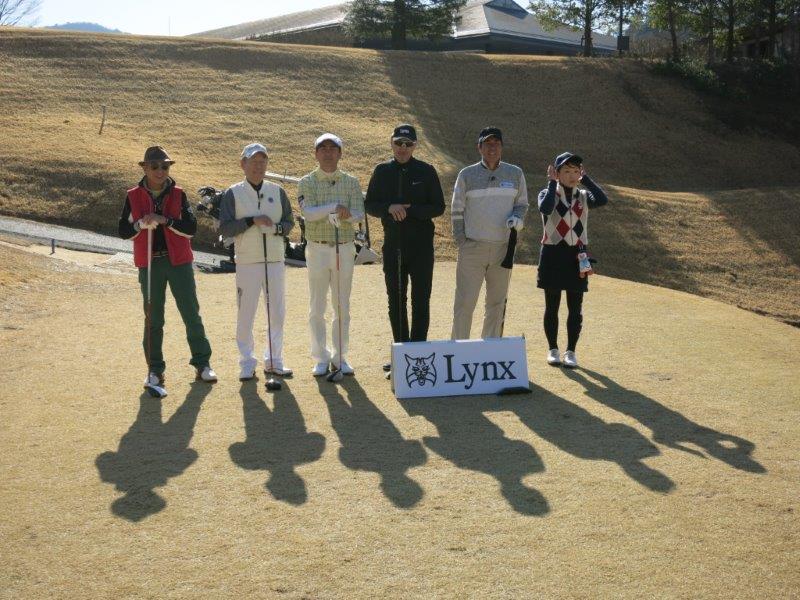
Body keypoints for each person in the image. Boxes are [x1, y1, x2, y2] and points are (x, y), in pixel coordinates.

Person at [118, 145, 217, 392]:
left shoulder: (179, 194)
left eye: (165, 166)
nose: (160, 171)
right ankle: (154, 370)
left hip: (179, 262)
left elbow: (191, 228)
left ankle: (202, 363)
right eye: (154, 166)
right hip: (150, 263)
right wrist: (140, 224)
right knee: (153, 318)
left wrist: (166, 220)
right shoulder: (133, 196)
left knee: (191, 313)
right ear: (145, 168)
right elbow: (123, 230)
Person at [364, 124, 445, 372]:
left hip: (421, 248)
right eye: (399, 143)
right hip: (394, 246)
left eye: (408, 144)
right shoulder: (382, 171)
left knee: (421, 300)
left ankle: (418, 353)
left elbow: (438, 207)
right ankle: (401, 354)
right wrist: (389, 207)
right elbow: (370, 204)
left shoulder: (426, 171)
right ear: (392, 143)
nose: (403, 148)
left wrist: (411, 210)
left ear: (415, 146)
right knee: (396, 301)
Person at [218, 143, 295, 381]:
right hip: (247, 261)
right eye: (253, 162)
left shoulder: (277, 191)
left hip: (274, 260)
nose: (258, 166)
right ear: (243, 164)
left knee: (277, 313)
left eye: (263, 162)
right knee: (246, 314)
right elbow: (226, 228)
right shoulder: (233, 193)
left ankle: (274, 360)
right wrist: (251, 221)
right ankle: (247, 362)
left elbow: (289, 223)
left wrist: (276, 229)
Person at [450, 127, 528, 340]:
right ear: (479, 147)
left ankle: (490, 350)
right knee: (465, 303)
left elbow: (522, 204)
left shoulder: (515, 173)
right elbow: (457, 209)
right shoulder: (467, 174)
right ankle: (459, 349)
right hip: (472, 247)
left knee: (496, 304)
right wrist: (462, 241)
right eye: (487, 144)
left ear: (501, 147)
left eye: (496, 144)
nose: (492, 148)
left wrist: (517, 218)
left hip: (503, 249)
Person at [297, 133, 365, 377]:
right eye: (323, 148)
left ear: (340, 153)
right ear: (316, 154)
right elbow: (308, 213)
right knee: (317, 305)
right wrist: (334, 208)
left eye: (332, 148)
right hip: (316, 248)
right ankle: (321, 358)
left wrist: (346, 215)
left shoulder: (351, 182)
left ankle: (340, 357)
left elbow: (359, 214)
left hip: (343, 248)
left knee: (342, 305)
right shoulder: (307, 181)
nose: (328, 152)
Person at [537, 152, 609, 368]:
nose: (571, 175)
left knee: (575, 307)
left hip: (577, 255)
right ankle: (553, 349)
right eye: (566, 171)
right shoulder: (547, 193)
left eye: (576, 171)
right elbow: (545, 208)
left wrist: (586, 180)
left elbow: (603, 199)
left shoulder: (584, 196)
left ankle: (570, 351)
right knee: (552, 305)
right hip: (552, 253)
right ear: (557, 173)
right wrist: (552, 183)